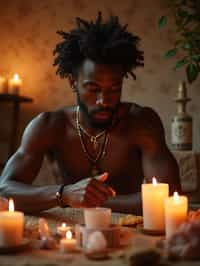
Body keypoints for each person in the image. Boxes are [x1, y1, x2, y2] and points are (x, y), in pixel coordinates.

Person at [0, 12, 181, 214]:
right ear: (73, 82)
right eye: (93, 89)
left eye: (114, 89)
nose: (104, 101)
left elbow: (170, 197)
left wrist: (85, 201)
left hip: (129, 233)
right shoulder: (50, 125)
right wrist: (65, 193)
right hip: (71, 235)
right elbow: (4, 190)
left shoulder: (142, 123)